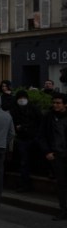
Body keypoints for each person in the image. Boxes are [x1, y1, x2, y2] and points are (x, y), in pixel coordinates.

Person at [39, 92, 67, 220]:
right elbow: (42, 136)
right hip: (57, 154)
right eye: (54, 103)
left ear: (65, 105)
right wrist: (47, 152)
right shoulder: (48, 117)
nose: (55, 105)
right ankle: (63, 210)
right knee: (61, 183)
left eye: (58, 103)